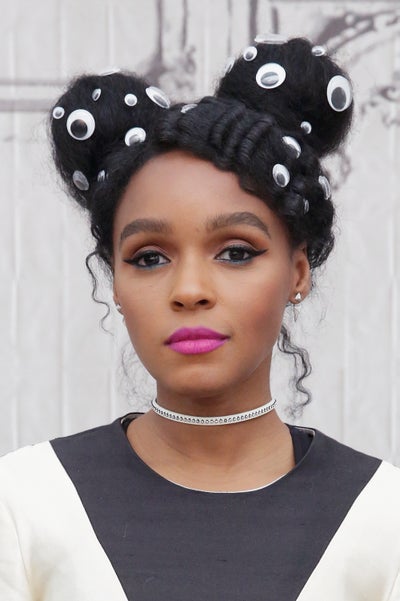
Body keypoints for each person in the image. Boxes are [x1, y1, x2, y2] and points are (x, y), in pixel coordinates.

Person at [1, 34, 399, 601]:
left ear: (298, 272)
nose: (189, 291)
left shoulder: (383, 519)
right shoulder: (26, 506)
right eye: (149, 258)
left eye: (236, 252)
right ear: (115, 282)